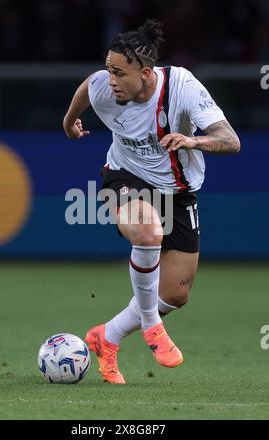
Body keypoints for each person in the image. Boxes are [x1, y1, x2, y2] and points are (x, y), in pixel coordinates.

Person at [63, 19, 240, 384]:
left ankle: (106, 336)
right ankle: (151, 327)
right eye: (108, 69)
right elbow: (88, 86)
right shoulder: (104, 88)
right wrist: (69, 122)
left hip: (178, 191)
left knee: (176, 293)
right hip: (125, 177)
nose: (110, 80)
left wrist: (195, 141)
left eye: (118, 73)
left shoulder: (182, 87)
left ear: (145, 74)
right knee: (147, 233)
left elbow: (230, 140)